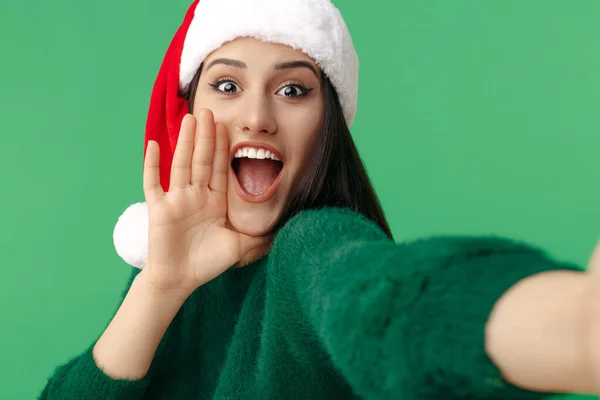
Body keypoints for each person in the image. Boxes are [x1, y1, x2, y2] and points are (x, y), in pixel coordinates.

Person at [40, 0, 600, 399]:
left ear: (325, 125)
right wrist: (162, 286)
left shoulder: (311, 249)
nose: (257, 117)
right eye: (228, 86)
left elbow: (383, 300)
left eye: (293, 90)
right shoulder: (167, 278)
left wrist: (577, 330)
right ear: (190, 114)